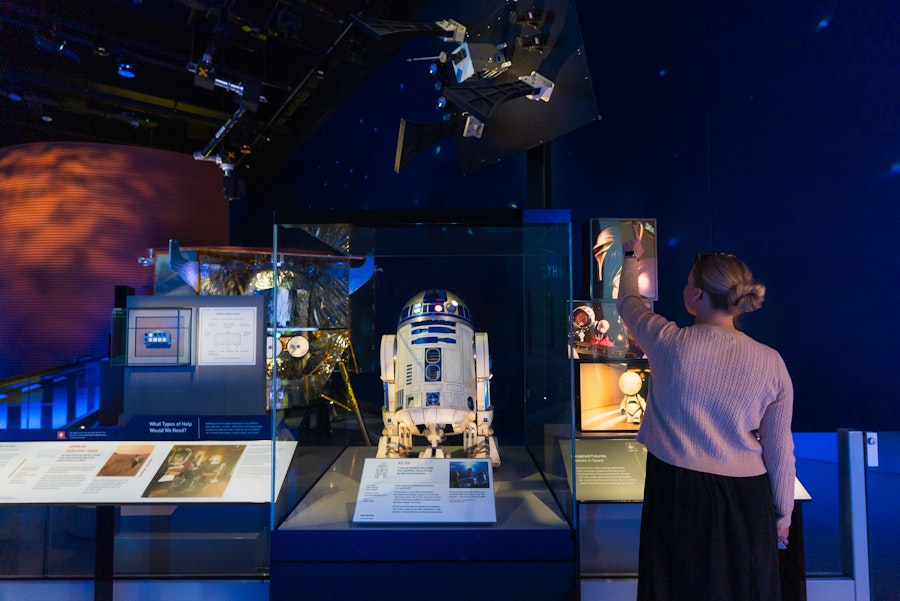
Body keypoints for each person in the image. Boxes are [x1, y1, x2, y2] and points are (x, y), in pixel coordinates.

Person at [617, 235, 795, 601]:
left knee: (673, 588)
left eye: (687, 281)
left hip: (677, 491)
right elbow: (779, 450)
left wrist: (631, 256)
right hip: (748, 498)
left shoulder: (668, 342)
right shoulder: (772, 362)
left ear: (697, 296)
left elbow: (628, 304)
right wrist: (782, 514)